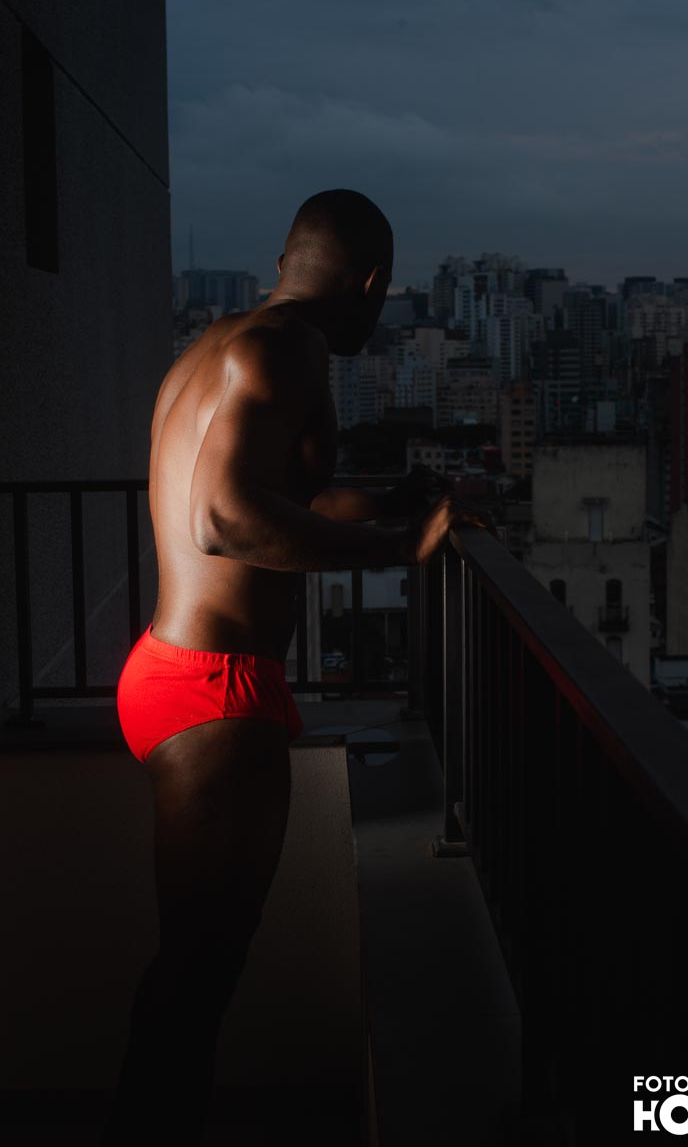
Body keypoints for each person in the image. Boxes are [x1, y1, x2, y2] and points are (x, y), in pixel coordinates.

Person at [102, 189, 496, 1143]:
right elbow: (224, 520)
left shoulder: (215, 345)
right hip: (216, 694)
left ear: (286, 263)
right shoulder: (291, 351)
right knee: (197, 978)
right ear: (371, 284)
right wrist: (399, 547)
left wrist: (390, 503)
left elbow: (276, 494)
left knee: (192, 970)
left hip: (168, 668)